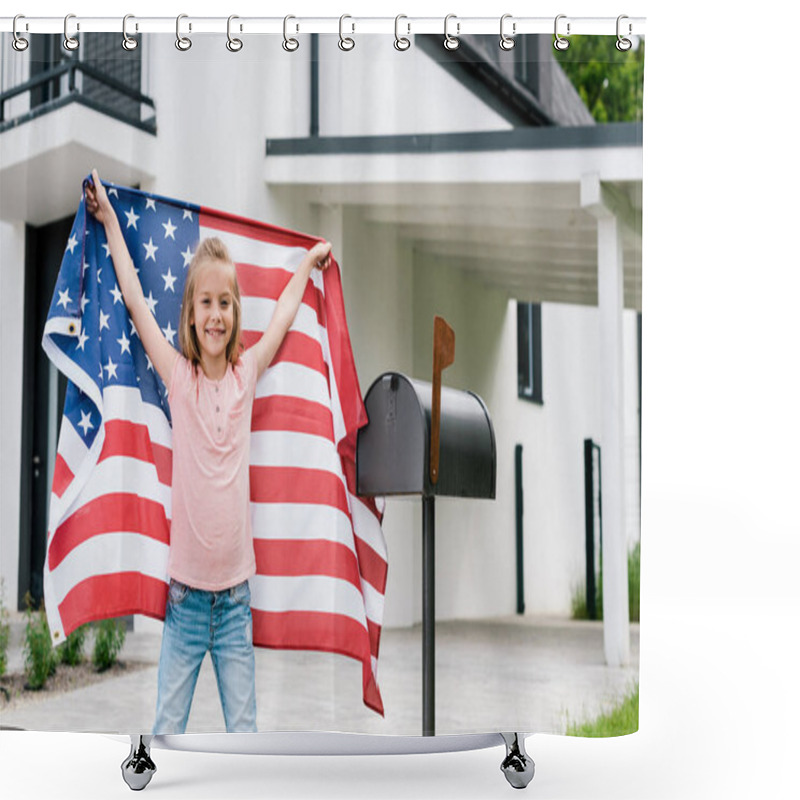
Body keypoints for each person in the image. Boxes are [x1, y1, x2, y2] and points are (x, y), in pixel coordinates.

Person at [85, 169, 332, 733]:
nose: (216, 314)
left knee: (242, 734)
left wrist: (307, 262)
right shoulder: (178, 377)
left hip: (235, 605)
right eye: (205, 303)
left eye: (225, 302)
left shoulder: (246, 376)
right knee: (166, 731)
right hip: (186, 605)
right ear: (192, 314)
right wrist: (108, 220)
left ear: (235, 312)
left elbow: (284, 320)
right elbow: (132, 298)